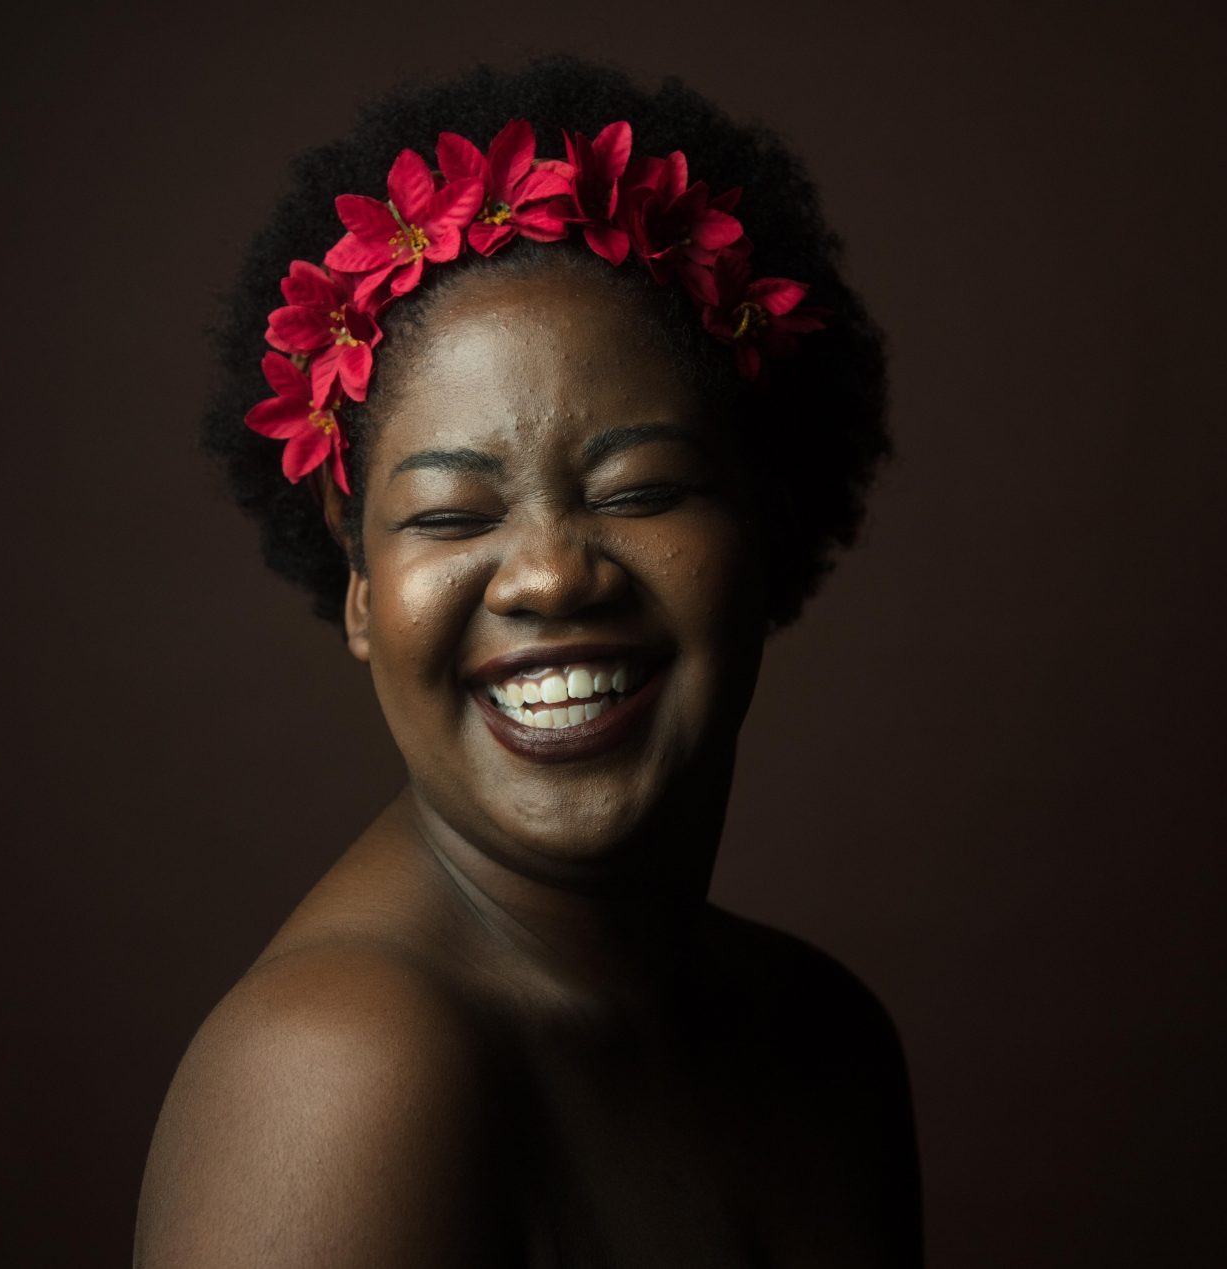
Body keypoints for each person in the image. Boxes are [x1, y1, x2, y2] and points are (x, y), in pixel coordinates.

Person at [135, 55, 920, 1267]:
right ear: (358, 592)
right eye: (451, 517)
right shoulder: (339, 1073)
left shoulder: (823, 1036)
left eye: (642, 489)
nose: (551, 576)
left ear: (763, 526)